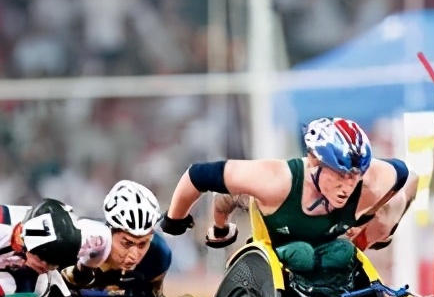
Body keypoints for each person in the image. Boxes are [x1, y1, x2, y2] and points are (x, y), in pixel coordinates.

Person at [160, 117, 418, 277]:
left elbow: (407, 176)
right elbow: (198, 175)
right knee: (300, 253)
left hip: (325, 250)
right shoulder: (276, 180)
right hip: (273, 250)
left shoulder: (374, 179)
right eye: (340, 176)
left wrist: (368, 216)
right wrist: (175, 219)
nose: (347, 187)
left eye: (354, 176)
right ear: (314, 161)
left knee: (344, 253)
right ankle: (220, 229)